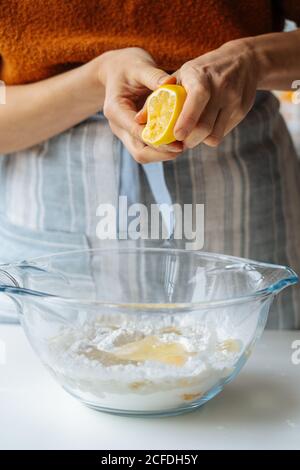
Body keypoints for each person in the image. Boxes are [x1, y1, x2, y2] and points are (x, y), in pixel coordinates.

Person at [0, 0, 300, 328]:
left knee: (262, 371)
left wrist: (254, 59)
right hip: (53, 204)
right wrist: (96, 81)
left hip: (238, 192)